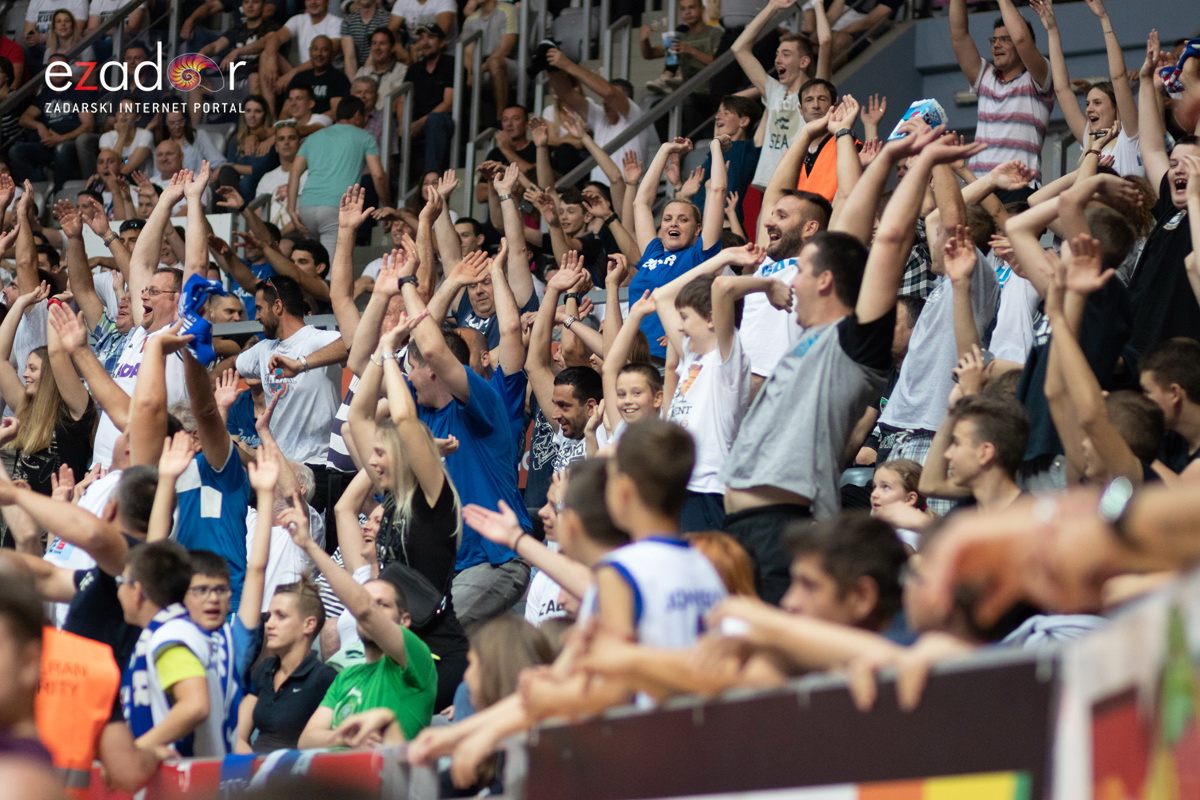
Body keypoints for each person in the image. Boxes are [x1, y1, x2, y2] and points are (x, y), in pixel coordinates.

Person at [721, 123, 979, 604]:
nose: (788, 281)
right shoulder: (810, 335)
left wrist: (920, 164)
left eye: (800, 271)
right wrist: (883, 159)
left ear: (824, 281)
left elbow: (890, 240)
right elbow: (851, 230)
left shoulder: (854, 346)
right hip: (742, 526)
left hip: (783, 530)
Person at [394, 249, 532, 629]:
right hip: (448, 567)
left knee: (429, 640)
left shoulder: (484, 400)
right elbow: (417, 350)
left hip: (495, 559)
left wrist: (407, 284)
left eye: (417, 364)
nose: (411, 369)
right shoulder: (418, 410)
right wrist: (450, 283)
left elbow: (433, 347)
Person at [292, 497, 438, 747]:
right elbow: (306, 740)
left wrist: (309, 545)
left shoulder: (415, 664)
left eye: (381, 604)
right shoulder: (347, 676)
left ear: (404, 620)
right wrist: (343, 738)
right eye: (367, 601)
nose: (367, 611)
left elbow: (364, 609)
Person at [236, 274, 348, 512]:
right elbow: (237, 364)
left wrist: (302, 363)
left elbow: (352, 344)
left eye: (259, 308)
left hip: (319, 467)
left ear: (278, 306)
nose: (255, 316)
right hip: (279, 467)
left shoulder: (318, 339)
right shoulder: (263, 349)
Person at [117, 540, 223, 757]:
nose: (118, 590)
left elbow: (195, 705)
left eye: (121, 582)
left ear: (136, 590)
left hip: (192, 784)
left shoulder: (170, 635)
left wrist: (135, 750)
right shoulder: (178, 628)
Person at [630, 137, 726, 360]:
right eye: (667, 219)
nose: (673, 223)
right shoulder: (653, 252)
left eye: (683, 220)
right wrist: (665, 149)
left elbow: (718, 191)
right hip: (633, 356)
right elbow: (641, 203)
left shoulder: (699, 256)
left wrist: (715, 146)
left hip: (670, 358)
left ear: (697, 230)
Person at [948, 0, 1052, 180]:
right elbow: (959, 35)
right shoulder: (985, 76)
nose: (996, 45)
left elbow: (1021, 38)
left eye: (1005, 39)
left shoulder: (1039, 78)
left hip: (1019, 189)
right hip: (980, 189)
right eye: (994, 40)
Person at [289, 96, 389, 259]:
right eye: (364, 117)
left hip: (306, 208)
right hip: (336, 209)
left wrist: (291, 209)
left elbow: (294, 173)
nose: (365, 121)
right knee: (332, 270)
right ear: (357, 115)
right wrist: (386, 206)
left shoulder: (314, 137)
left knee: (312, 265)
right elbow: (378, 175)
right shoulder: (365, 137)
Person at [919, 394, 1029, 515]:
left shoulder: (1035, 519)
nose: (947, 454)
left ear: (985, 452)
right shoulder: (959, 515)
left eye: (956, 443)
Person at [1140, 338, 1200, 478]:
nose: (1143, 400)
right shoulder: (1173, 438)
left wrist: (1125, 447)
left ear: (1174, 393)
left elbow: (1182, 495)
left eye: (1147, 392)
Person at [407, 24, 456, 175]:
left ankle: (431, 176)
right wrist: (404, 125)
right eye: (421, 38)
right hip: (417, 122)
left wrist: (421, 122)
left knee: (435, 120)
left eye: (431, 37)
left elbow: (448, 103)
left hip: (444, 121)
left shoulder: (451, 64)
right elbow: (402, 100)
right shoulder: (414, 69)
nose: (425, 42)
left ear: (442, 42)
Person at [461, 0, 518, 113]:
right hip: (482, 65)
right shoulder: (470, 19)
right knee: (461, 74)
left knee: (495, 63)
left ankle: (500, 118)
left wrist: (479, 70)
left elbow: (505, 50)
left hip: (510, 63)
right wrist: (470, 74)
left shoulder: (507, 10)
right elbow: (468, 54)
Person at [285, 35, 352, 117]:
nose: (319, 54)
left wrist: (311, 124)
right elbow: (286, 110)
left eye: (324, 50)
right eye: (315, 49)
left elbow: (336, 112)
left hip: (325, 127)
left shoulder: (339, 79)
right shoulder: (299, 78)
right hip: (297, 124)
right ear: (310, 52)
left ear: (331, 54)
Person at [98, 99, 153, 176]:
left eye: (129, 111)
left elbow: (125, 171)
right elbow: (110, 169)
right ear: (116, 115)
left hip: (140, 184)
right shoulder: (106, 137)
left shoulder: (145, 135)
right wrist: (122, 135)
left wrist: (122, 133)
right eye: (121, 110)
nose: (124, 114)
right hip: (115, 182)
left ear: (137, 117)